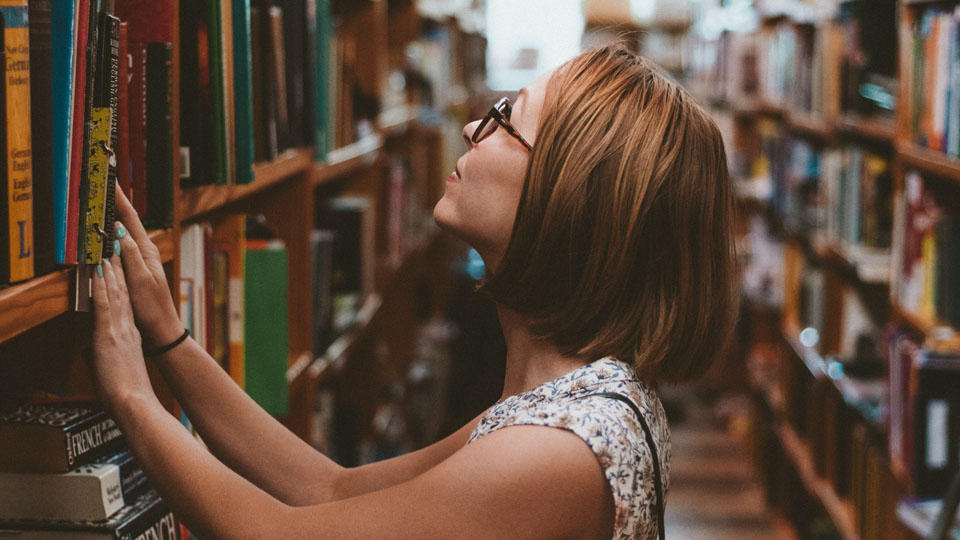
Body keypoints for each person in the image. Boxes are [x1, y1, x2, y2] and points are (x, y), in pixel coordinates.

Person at [90, 45, 737, 539]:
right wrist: (170, 342)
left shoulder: (556, 450)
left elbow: (270, 533)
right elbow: (328, 489)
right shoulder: (568, 400)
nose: (471, 131)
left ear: (568, 198)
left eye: (504, 118)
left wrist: (129, 394)